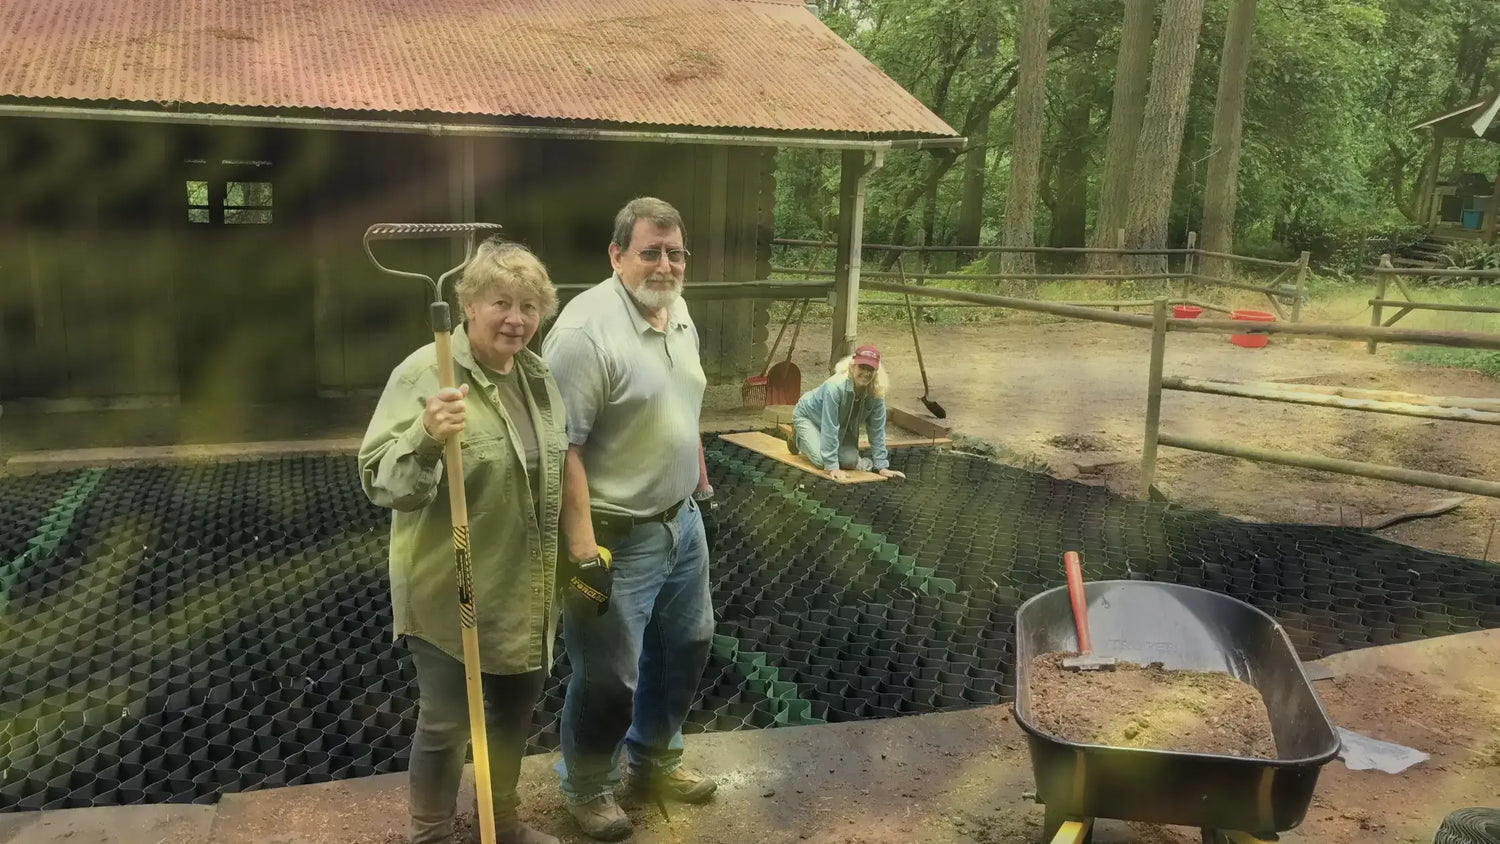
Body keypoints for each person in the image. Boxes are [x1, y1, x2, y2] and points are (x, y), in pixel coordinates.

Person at [359, 239, 586, 844]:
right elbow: (382, 482)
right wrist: (427, 435)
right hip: (448, 585)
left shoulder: (538, 378)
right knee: (447, 724)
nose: (517, 318)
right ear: (467, 305)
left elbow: (559, 468)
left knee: (511, 718)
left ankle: (501, 824)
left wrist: (583, 556)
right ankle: (430, 834)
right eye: (501, 302)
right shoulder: (424, 373)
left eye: (530, 306)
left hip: (525, 584)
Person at [541, 197, 717, 841]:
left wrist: (696, 485)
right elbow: (562, 449)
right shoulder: (585, 334)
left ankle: (652, 762)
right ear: (616, 256)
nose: (666, 264)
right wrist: (583, 552)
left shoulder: (676, 308)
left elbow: (682, 402)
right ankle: (586, 786)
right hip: (614, 536)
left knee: (689, 645)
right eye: (651, 251)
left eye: (675, 252)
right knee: (609, 674)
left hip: (681, 522)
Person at [786, 345, 907, 482]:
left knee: (849, 461)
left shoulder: (876, 393)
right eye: (862, 367)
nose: (866, 373)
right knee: (822, 461)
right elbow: (829, 426)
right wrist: (832, 467)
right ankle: (798, 437)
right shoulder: (834, 387)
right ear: (852, 366)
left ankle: (816, 442)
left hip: (840, 424)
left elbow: (877, 430)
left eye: (870, 369)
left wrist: (881, 466)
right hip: (809, 417)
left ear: (876, 371)